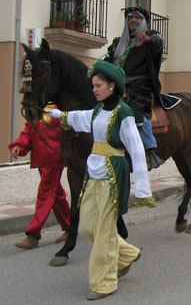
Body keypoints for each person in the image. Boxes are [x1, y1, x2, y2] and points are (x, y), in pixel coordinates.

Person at [48, 61, 154, 300]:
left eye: (98, 86)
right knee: (87, 225)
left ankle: (104, 283)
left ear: (112, 86)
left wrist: (143, 189)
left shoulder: (124, 113)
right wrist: (56, 114)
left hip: (112, 176)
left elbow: (136, 149)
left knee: (105, 230)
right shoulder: (97, 111)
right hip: (93, 174)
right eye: (93, 86)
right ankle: (126, 253)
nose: (94, 90)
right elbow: (79, 117)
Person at [105, 6, 165, 169]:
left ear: (144, 21)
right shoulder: (117, 43)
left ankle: (148, 149)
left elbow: (158, 44)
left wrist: (149, 40)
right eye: (130, 18)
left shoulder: (151, 37)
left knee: (135, 109)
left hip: (139, 86)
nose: (133, 20)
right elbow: (108, 60)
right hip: (115, 85)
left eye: (138, 18)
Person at [9, 111, 70, 249]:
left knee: (46, 193)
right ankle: (70, 227)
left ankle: (33, 235)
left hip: (54, 156)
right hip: (41, 157)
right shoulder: (39, 106)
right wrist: (20, 145)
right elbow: (30, 128)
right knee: (55, 194)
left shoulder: (61, 107)